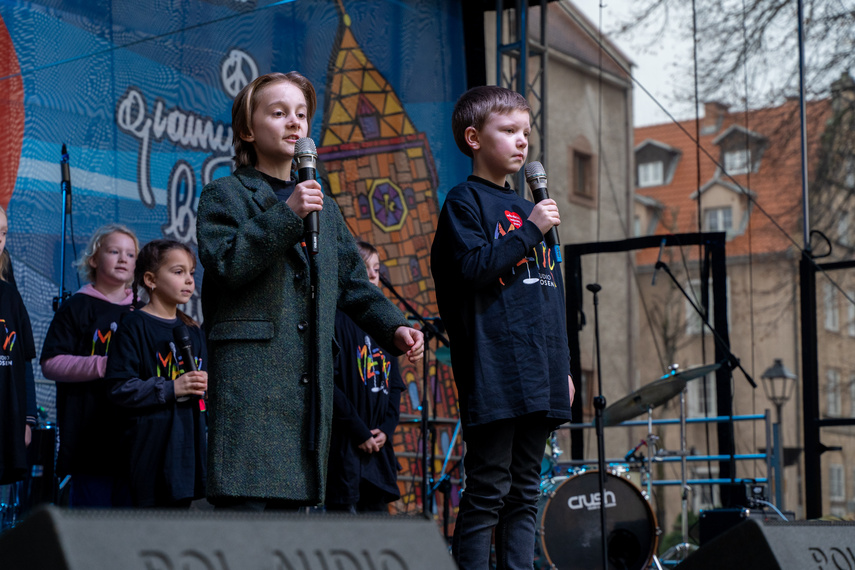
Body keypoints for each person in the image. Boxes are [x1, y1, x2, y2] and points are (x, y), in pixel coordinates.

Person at [196, 71, 423, 510]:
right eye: (278, 113)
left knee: (292, 533)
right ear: (247, 129)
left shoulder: (325, 204)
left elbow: (353, 283)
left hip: (306, 393)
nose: (294, 123)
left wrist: (394, 328)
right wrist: (287, 214)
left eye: (301, 114)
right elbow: (226, 264)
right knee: (246, 530)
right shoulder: (224, 195)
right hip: (252, 387)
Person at [430, 85, 575, 569]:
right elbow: (471, 269)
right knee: (489, 487)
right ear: (473, 137)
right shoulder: (464, 202)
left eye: (526, 133)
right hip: (495, 370)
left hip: (542, 369)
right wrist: (530, 229)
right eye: (508, 130)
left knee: (526, 492)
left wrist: (564, 368)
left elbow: (549, 298)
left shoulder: (530, 209)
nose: (521, 142)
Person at [40, 223, 139, 507]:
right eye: (114, 251)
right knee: (91, 524)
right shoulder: (76, 307)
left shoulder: (142, 310)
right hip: (89, 441)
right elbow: (51, 363)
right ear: (94, 259)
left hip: (133, 442)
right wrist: (105, 365)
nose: (123, 259)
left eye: (130, 255)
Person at [105, 239, 207, 508]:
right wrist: (173, 388)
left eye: (191, 273)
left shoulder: (193, 331)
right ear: (150, 279)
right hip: (147, 454)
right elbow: (119, 387)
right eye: (178, 272)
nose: (188, 280)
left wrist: (204, 385)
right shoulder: (134, 326)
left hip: (184, 455)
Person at [325, 241, 405, 513]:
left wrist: (386, 429)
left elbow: (395, 386)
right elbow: (330, 384)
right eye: (365, 268)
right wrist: (359, 431)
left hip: (378, 451)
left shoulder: (386, 327)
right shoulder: (336, 320)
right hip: (346, 447)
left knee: (377, 526)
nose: (373, 276)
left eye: (377, 269)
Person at [0, 205, 37, 487]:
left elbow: (23, 361)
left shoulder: (10, 295)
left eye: (3, 233)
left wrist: (27, 418)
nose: (0, 240)